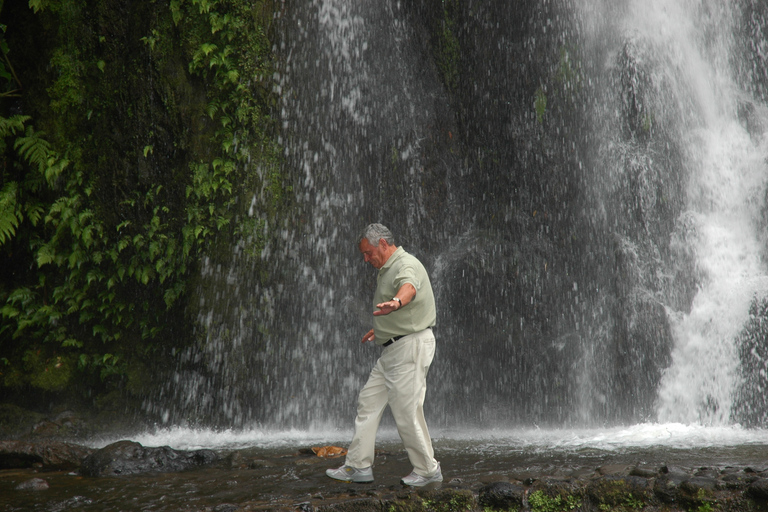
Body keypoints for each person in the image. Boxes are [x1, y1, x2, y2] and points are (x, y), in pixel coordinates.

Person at [326, 223, 442, 487]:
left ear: (382, 244)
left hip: (409, 347)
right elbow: (399, 310)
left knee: (406, 412)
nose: (366, 259)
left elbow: (409, 287)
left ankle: (428, 470)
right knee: (368, 401)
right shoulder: (388, 267)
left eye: (368, 253)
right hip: (394, 348)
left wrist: (398, 302)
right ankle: (358, 466)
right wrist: (380, 329)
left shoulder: (404, 264)